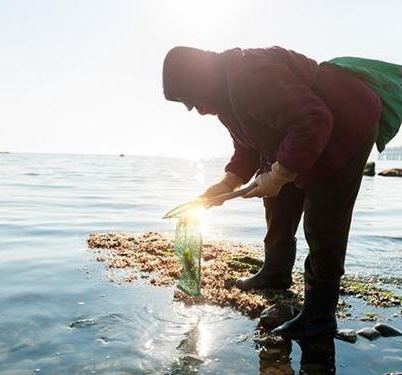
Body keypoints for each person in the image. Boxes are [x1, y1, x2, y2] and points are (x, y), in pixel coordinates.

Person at [162, 46, 383, 339]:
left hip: (347, 121)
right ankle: (276, 273)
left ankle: (319, 318)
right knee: (276, 199)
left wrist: (280, 174)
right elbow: (248, 145)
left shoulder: (249, 76)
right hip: (301, 131)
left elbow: (313, 120)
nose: (198, 110)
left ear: (201, 78)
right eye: (189, 105)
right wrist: (227, 184)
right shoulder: (225, 97)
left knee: (323, 219)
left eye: (192, 100)